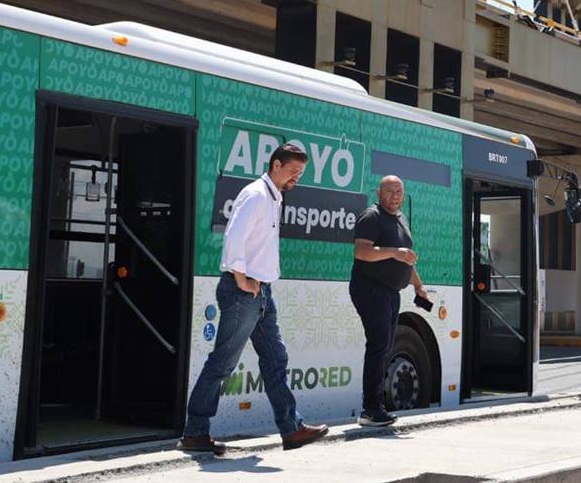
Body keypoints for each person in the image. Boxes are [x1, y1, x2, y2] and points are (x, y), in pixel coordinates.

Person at [180, 144, 329, 454]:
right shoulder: (257, 195)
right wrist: (241, 279)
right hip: (242, 293)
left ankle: (291, 429)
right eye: (292, 172)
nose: (295, 179)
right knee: (223, 362)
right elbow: (234, 236)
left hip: (260, 293)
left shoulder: (273, 197)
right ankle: (195, 432)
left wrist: (256, 285)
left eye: (299, 174)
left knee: (276, 360)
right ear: (276, 165)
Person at [349, 175, 428, 427]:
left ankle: (375, 407)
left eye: (400, 192)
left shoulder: (400, 219)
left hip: (391, 292)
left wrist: (417, 284)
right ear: (379, 193)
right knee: (378, 345)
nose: (396, 196)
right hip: (371, 289)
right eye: (391, 191)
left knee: (384, 347)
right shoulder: (371, 217)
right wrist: (395, 252)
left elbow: (407, 258)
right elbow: (361, 252)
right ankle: (370, 409)